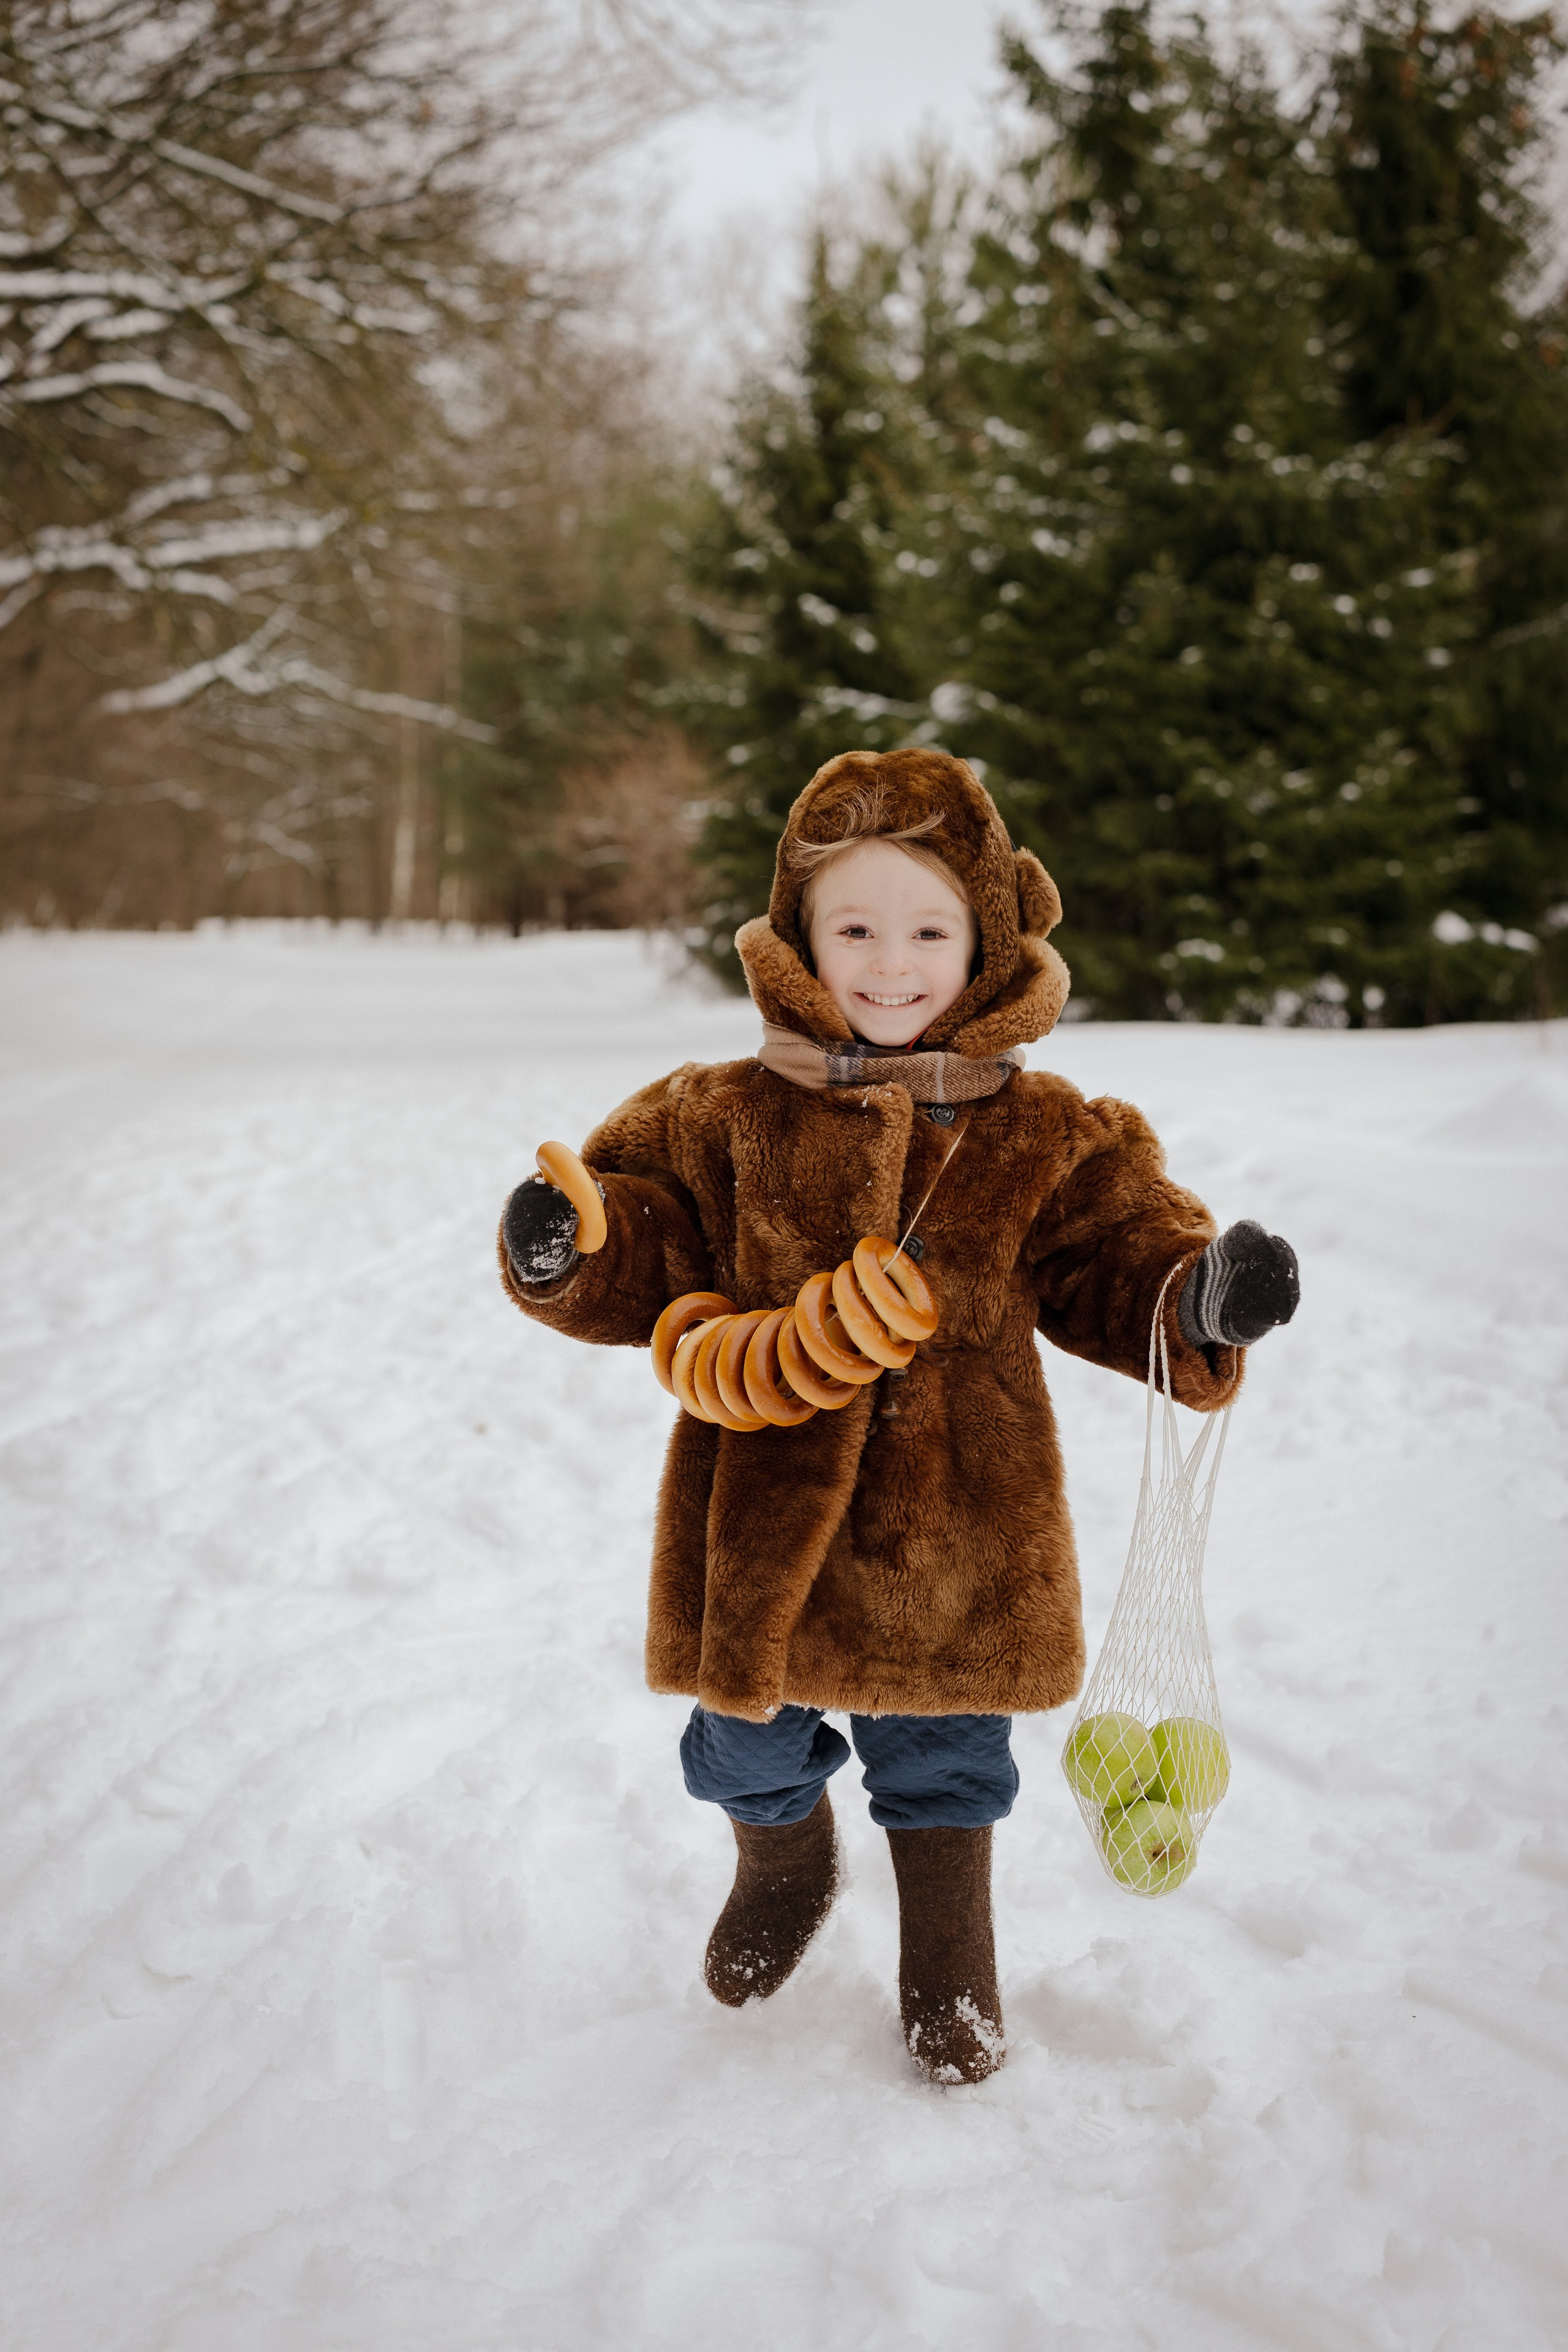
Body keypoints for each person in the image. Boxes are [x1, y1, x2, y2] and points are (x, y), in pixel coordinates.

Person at [497, 748, 1298, 2085]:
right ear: (801, 940)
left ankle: (949, 1965)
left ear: (982, 943)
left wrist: (1196, 1300)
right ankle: (783, 1853)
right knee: (739, 1736)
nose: (887, 962)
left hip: (957, 1525)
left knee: (942, 1757)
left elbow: (1117, 1257)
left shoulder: (1041, 1132)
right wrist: (569, 1248)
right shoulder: (721, 1113)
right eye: (852, 927)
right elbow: (641, 1232)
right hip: (762, 1513)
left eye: (926, 929)